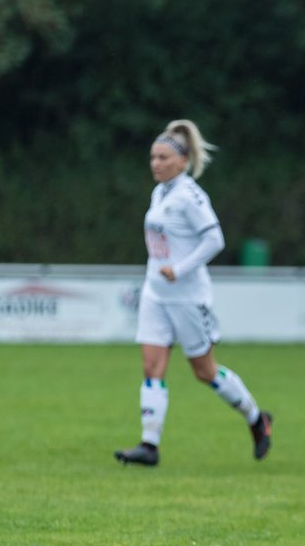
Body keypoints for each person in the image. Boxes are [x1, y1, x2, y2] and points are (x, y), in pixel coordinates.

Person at [114, 119, 273, 467]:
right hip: (156, 294)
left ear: (183, 162)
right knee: (151, 366)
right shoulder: (160, 192)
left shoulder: (190, 196)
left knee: (205, 371)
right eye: (153, 158)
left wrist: (180, 269)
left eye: (163, 158)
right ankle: (149, 446)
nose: (155, 164)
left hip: (187, 297)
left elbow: (214, 239)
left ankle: (256, 419)